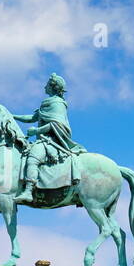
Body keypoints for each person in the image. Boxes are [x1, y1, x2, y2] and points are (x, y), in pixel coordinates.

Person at [12, 73, 86, 205]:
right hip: (43, 139)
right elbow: (31, 118)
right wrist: (12, 116)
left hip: (52, 141)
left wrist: (37, 131)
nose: (44, 86)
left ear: (52, 87)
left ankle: (29, 191)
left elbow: (56, 124)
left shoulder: (58, 103)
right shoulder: (47, 103)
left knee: (33, 158)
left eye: (46, 84)